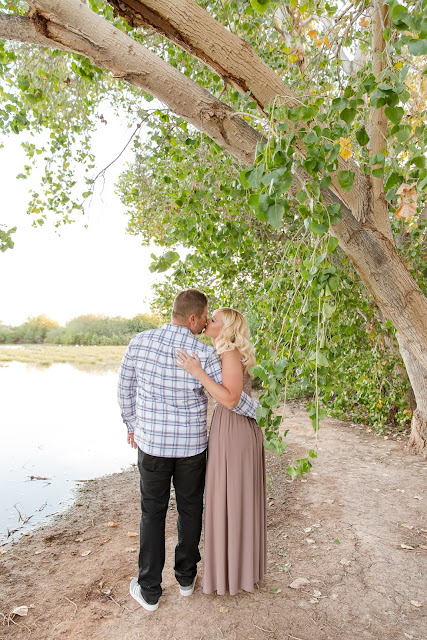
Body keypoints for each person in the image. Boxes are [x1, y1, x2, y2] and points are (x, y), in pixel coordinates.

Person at [117, 290, 258, 611]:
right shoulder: (205, 353)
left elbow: (125, 387)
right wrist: (260, 414)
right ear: (193, 318)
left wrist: (131, 424)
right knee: (190, 509)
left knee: (152, 512)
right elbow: (230, 396)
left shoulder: (139, 342)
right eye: (205, 316)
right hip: (191, 446)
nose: (206, 322)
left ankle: (150, 590)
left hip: (152, 443)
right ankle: (185, 578)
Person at [176, 308, 267, 595]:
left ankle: (233, 575)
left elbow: (230, 399)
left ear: (226, 328)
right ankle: (235, 571)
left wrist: (197, 372)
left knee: (231, 497)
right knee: (229, 497)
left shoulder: (230, 354)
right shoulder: (223, 353)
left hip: (234, 430)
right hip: (229, 428)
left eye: (213, 319)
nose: (207, 322)